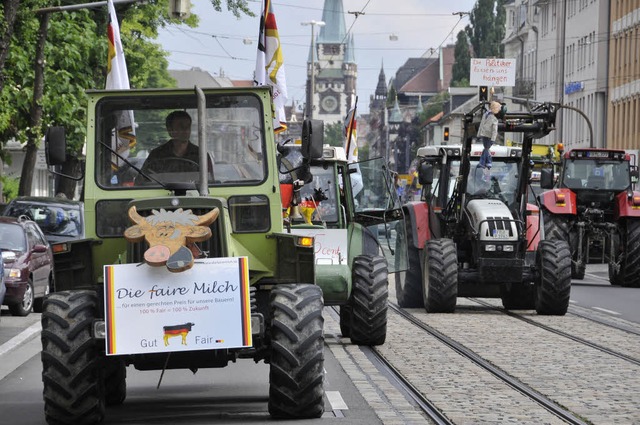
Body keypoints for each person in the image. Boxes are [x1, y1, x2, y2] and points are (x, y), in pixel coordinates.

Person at [138, 110, 200, 178]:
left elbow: (209, 182)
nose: (186, 130)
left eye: (188, 126)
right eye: (181, 126)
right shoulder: (157, 155)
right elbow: (143, 181)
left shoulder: (200, 155)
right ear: (170, 130)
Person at [477, 101, 502, 170]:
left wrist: (492, 139)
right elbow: (482, 125)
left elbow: (494, 131)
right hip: (486, 135)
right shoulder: (489, 116)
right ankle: (487, 163)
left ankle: (483, 163)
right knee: (486, 149)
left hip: (487, 136)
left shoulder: (488, 116)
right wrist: (479, 134)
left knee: (486, 149)